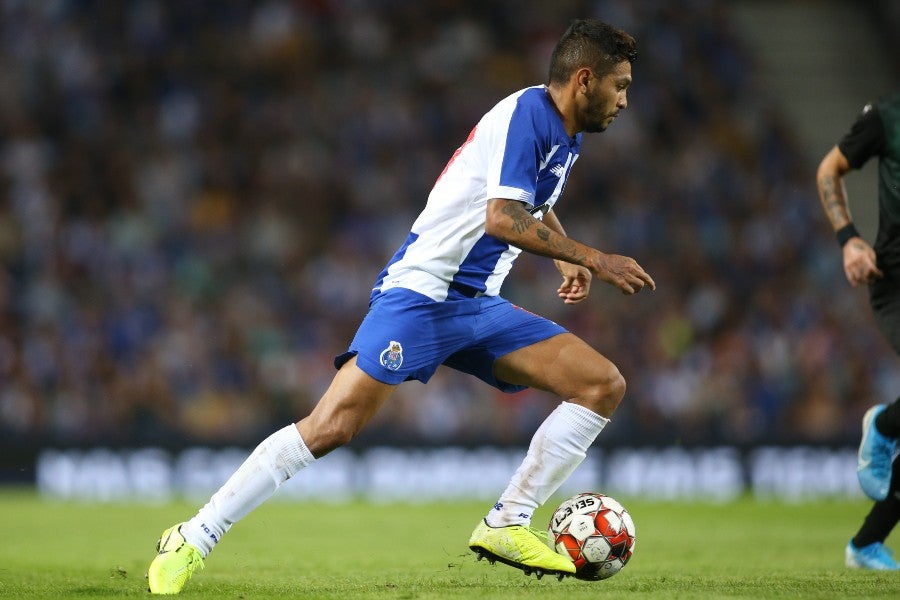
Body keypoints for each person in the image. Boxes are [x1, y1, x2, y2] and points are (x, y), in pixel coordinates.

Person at [147, 18, 655, 594]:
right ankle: (193, 537)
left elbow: (523, 201)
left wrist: (563, 255)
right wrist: (592, 257)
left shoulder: (565, 133)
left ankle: (508, 522)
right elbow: (500, 217)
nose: (625, 100)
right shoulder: (530, 117)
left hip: (476, 303)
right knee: (331, 425)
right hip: (421, 294)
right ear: (584, 80)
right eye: (620, 85)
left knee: (601, 385)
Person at [816, 92, 900, 571]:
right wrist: (849, 240)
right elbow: (829, 170)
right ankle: (885, 425)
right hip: (895, 278)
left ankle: (867, 543)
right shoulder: (887, 119)